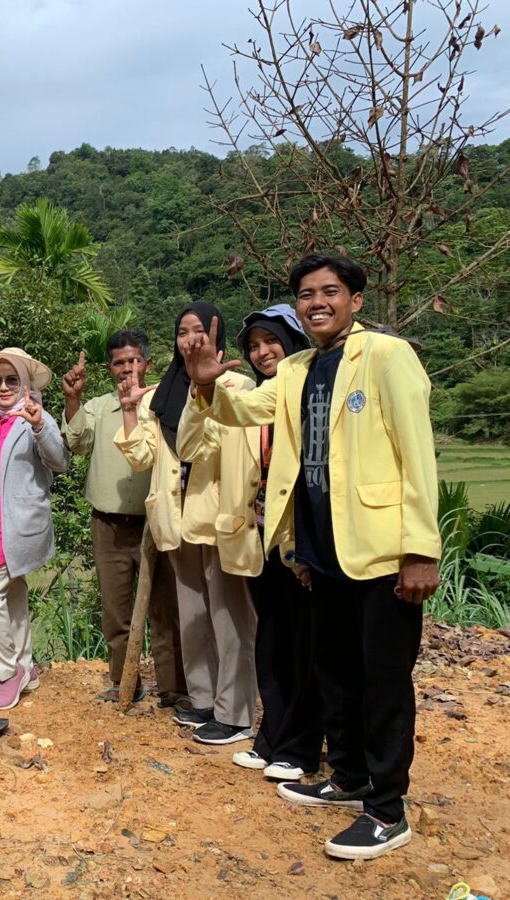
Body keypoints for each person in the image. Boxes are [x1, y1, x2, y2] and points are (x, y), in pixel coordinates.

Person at [184, 254, 440, 861]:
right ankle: (349, 779)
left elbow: (418, 454)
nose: (316, 301)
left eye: (330, 291)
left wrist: (420, 550)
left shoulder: (385, 355)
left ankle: (388, 809)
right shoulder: (298, 368)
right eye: (305, 293)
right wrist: (203, 381)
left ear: (354, 300)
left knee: (382, 682)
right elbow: (244, 411)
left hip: (381, 553)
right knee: (336, 673)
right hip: (321, 552)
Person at [178, 306, 322, 778]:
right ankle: (272, 737)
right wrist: (202, 385)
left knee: (304, 644)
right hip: (263, 537)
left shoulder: (313, 395)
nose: (262, 352)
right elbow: (217, 426)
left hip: (306, 537)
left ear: (293, 341)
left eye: (271, 342)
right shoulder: (263, 399)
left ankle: (301, 748)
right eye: (254, 345)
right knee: (272, 640)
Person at [115, 303, 258, 746]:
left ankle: (235, 714)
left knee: (229, 616)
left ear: (217, 335)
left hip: (218, 515)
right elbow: (142, 457)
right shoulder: (160, 394)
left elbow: (207, 445)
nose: (191, 339)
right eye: (182, 331)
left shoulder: (237, 383)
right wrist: (127, 409)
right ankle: (203, 700)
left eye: (200, 330)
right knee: (193, 617)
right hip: (176, 519)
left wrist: (207, 385)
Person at [60, 331, 187, 707]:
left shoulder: (164, 403)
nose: (127, 369)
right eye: (119, 362)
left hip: (159, 522)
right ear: (109, 368)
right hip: (109, 525)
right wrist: (72, 399)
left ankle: (173, 689)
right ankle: (123, 680)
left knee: (166, 609)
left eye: (134, 361)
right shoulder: (99, 407)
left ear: (147, 364)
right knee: (115, 609)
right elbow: (77, 442)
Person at [0, 347, 69, 711]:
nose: (4, 387)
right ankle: (26, 663)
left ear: (25, 384)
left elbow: (60, 461)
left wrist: (40, 425)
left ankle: (9, 672)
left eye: (12, 380)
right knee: (13, 594)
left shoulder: (35, 417)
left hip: (17, 526)